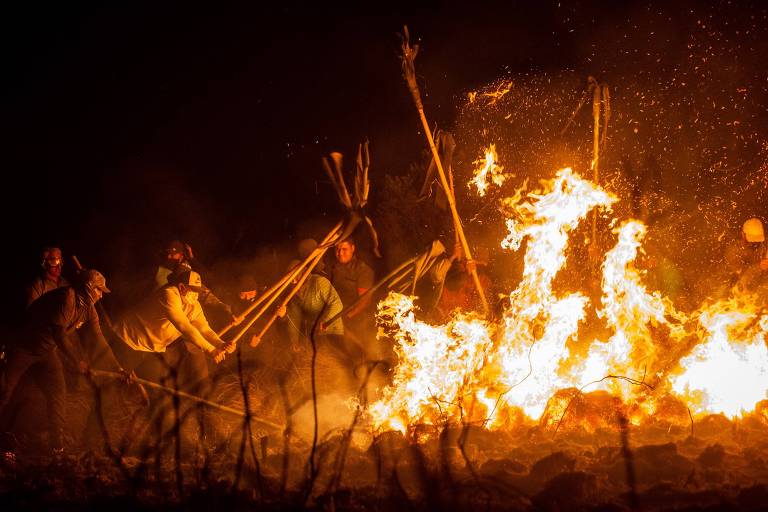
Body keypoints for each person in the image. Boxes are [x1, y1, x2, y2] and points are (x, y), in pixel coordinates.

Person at [0, 269, 125, 452]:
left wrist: (118, 368)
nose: (101, 295)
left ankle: (56, 447)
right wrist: (77, 361)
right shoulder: (68, 296)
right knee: (4, 392)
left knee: (57, 395)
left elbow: (99, 339)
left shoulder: (88, 309)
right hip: (23, 347)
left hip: (47, 351)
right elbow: (59, 334)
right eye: (99, 290)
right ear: (89, 287)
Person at [155, 240, 236, 322]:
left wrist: (225, 309)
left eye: (172, 254)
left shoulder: (186, 270)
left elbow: (204, 291)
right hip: (160, 314)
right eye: (168, 253)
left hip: (181, 316)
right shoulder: (161, 270)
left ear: (181, 255)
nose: (169, 256)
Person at [327, 237, 375, 355]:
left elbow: (365, 301)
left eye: (344, 249)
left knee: (358, 345)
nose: (340, 253)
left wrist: (347, 316)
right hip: (336, 310)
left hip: (356, 314)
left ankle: (363, 357)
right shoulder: (332, 268)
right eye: (338, 250)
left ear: (353, 249)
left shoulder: (362, 270)